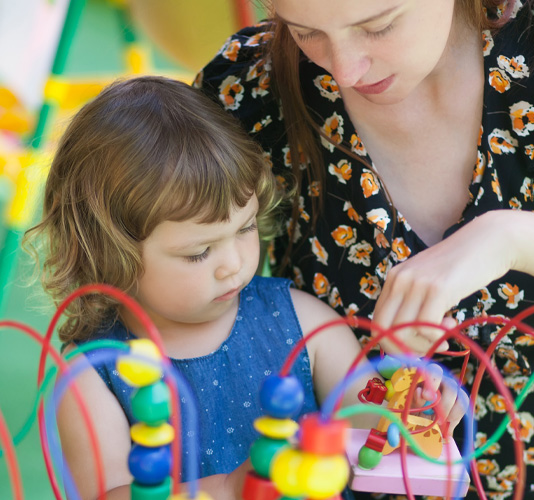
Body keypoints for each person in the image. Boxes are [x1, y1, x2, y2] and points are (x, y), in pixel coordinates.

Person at [195, 0, 534, 498]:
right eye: (305, 32)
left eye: (379, 25)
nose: (342, 69)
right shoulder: (247, 90)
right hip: (366, 475)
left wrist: (510, 236)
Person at [26, 76, 396, 500]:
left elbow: (366, 425)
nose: (234, 265)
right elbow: (107, 492)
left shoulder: (304, 322)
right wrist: (229, 489)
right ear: (111, 255)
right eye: (199, 252)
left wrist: (407, 413)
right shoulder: (95, 371)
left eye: (246, 228)